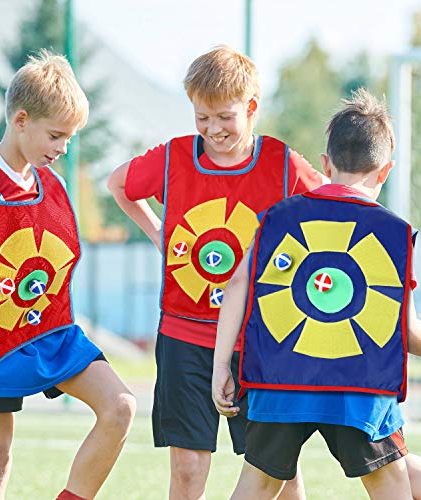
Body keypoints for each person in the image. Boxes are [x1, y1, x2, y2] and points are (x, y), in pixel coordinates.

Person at [108, 45, 324, 499]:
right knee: (187, 468)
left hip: (260, 341)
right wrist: (159, 234)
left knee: (277, 471)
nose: (212, 129)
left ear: (251, 107)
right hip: (184, 337)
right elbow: (119, 185)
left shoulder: (281, 164)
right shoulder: (173, 158)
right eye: (201, 117)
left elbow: (328, 205)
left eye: (224, 116)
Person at [0, 50, 136, 500]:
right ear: (21, 120)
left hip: (52, 331)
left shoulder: (52, 185)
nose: (63, 148)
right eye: (56, 135)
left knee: (120, 407)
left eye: (71, 138)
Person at [212, 87, 421, 500]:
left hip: (281, 381)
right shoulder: (396, 234)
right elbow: (407, 333)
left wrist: (222, 365)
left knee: (258, 483)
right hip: (359, 389)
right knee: (390, 483)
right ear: (385, 171)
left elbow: (237, 284)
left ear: (325, 163)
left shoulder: (276, 218)